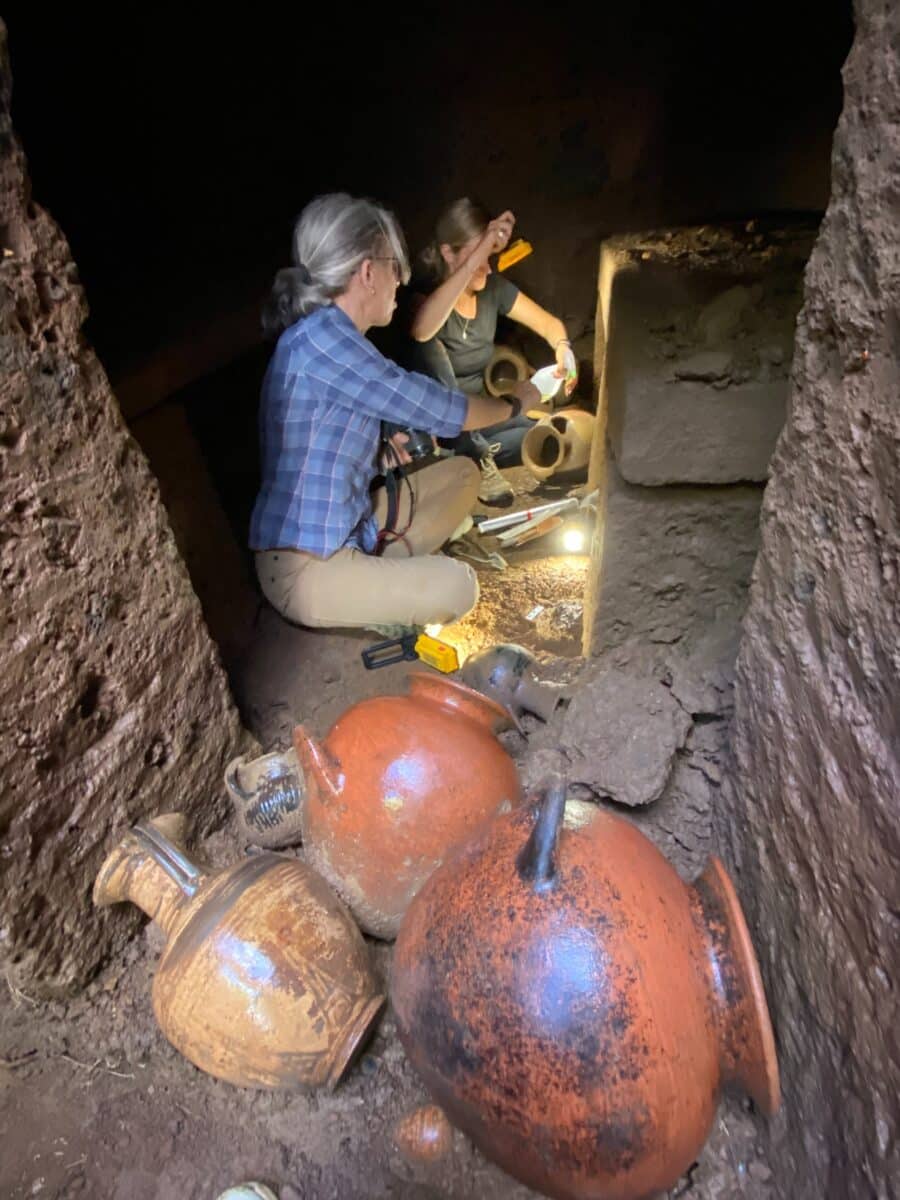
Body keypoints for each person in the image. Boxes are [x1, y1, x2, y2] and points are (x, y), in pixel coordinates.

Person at [249, 192, 525, 634]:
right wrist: (518, 402)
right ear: (367, 273)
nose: (400, 282)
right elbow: (437, 407)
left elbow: (317, 455)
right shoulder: (327, 342)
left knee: (462, 475)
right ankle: (373, 589)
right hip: (306, 567)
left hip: (347, 529)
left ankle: (377, 582)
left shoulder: (325, 336)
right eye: (395, 268)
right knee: (459, 586)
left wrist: (380, 457)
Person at [406, 198, 578, 504]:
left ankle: (475, 457)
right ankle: (469, 454)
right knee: (427, 348)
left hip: (484, 415)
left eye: (489, 255)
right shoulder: (423, 300)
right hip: (444, 426)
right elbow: (421, 331)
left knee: (545, 433)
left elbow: (549, 325)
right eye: (478, 256)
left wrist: (564, 349)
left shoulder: (492, 289)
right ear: (448, 253)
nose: (487, 266)